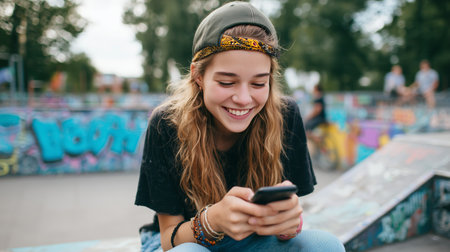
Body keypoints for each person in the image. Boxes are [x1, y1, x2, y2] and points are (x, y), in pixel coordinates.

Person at [135, 2, 345, 251]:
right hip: (186, 241)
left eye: (258, 84)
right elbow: (170, 239)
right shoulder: (166, 124)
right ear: (198, 76)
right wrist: (211, 221)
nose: (244, 99)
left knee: (325, 245)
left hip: (254, 239)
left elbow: (289, 229)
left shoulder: (286, 115)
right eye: (226, 82)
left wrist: (288, 224)